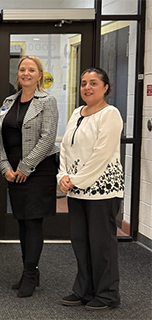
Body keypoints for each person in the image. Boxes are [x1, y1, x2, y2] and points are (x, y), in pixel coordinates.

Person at [58, 67, 124, 310]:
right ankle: (84, 290)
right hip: (77, 189)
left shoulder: (110, 114)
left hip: (102, 191)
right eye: (84, 83)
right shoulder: (77, 113)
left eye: (93, 83)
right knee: (81, 242)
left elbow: (101, 155)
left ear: (105, 87)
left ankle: (107, 294)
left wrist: (76, 179)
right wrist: (63, 175)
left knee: (101, 244)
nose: (87, 87)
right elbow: (65, 147)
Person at [0, 55, 59, 298]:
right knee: (22, 222)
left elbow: (47, 138)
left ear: (39, 75)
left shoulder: (47, 102)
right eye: (22, 69)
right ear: (18, 74)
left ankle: (30, 274)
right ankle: (28, 269)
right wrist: (4, 166)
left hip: (38, 171)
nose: (26, 73)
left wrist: (25, 167)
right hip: (13, 172)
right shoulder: (8, 101)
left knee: (33, 222)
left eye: (31, 70)